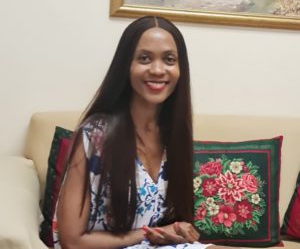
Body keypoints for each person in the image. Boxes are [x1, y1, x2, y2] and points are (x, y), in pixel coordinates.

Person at [52, 16, 235, 249]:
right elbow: (72, 241)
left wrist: (176, 231)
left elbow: (167, 222)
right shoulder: (95, 135)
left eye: (169, 59)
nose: (158, 70)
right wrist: (147, 233)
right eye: (144, 58)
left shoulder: (174, 135)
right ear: (125, 66)